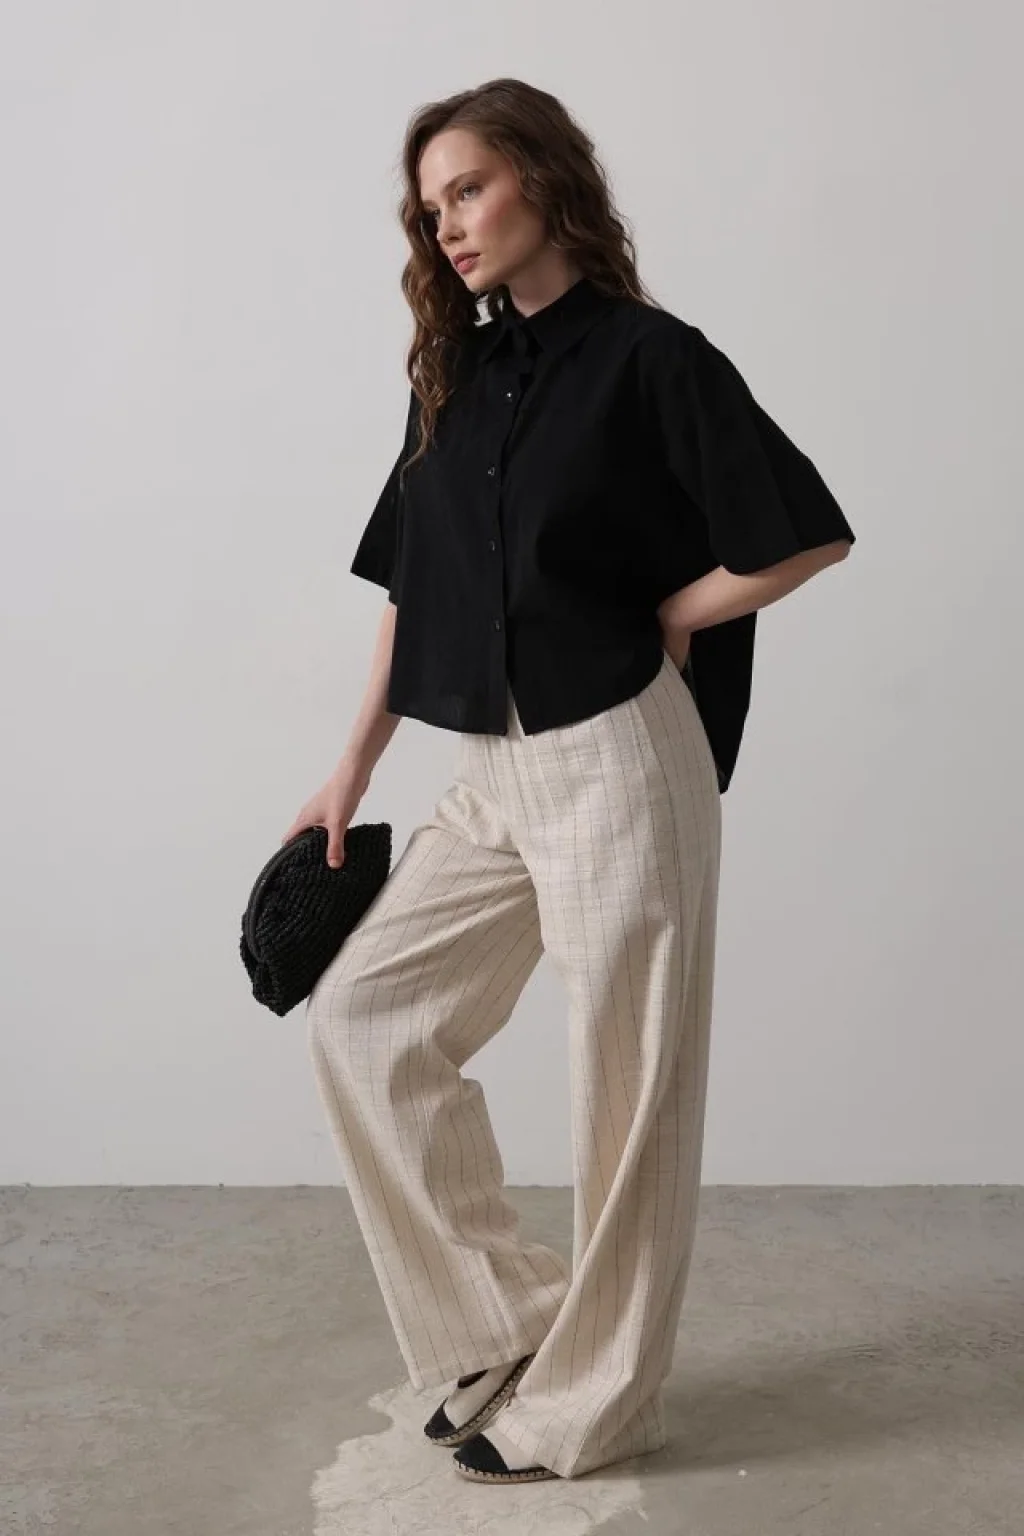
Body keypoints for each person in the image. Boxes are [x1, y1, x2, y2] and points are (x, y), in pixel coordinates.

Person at [286, 77, 856, 1485]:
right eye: (431, 206)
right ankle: (512, 1324)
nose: (448, 224)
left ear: (543, 179)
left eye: (469, 188)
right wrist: (349, 768)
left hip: (619, 755)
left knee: (626, 1090)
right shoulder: (453, 376)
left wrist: (672, 612)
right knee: (365, 1017)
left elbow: (806, 532)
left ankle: (600, 1402)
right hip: (491, 770)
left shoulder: (654, 359)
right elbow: (411, 590)